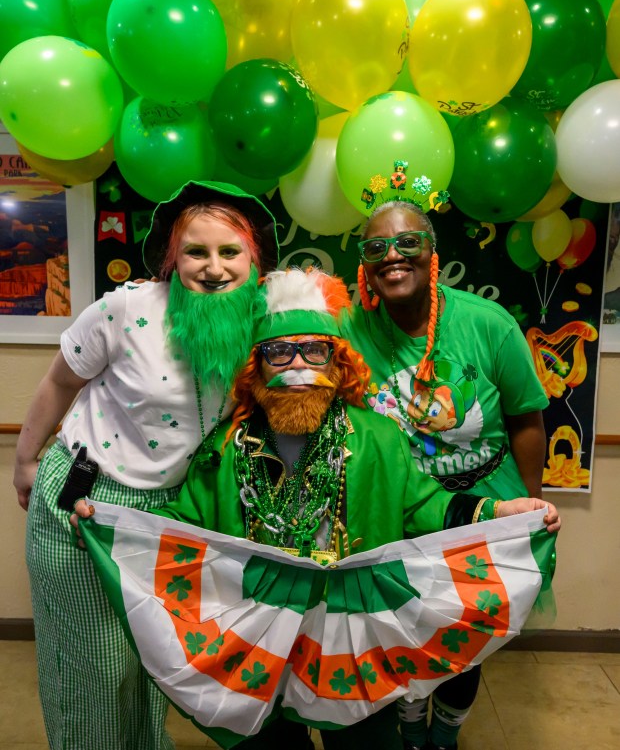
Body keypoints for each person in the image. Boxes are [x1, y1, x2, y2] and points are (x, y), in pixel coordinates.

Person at [74, 267, 560, 749]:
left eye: (315, 350)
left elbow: (429, 508)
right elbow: (184, 528)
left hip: (351, 623)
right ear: (256, 367)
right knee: (270, 741)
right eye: (279, 352)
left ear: (338, 363)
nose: (298, 366)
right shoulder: (224, 450)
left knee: (366, 741)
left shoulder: (377, 439)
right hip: (257, 628)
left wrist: (500, 513)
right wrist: (120, 530)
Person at [14, 180, 279, 750]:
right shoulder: (128, 306)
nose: (214, 268)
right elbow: (60, 381)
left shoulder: (264, 321)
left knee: (150, 667)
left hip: (169, 518)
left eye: (229, 252)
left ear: (253, 258)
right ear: (172, 259)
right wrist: (25, 460)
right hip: (83, 505)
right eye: (196, 252)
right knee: (97, 672)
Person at [340, 197, 550, 750]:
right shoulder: (348, 330)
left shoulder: (486, 323)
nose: (392, 255)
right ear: (364, 263)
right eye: (376, 246)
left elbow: (527, 417)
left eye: (408, 241)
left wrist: (531, 503)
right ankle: (410, 724)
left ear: (433, 253)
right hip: (400, 516)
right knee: (401, 632)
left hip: (484, 515)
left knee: (464, 639)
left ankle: (445, 733)